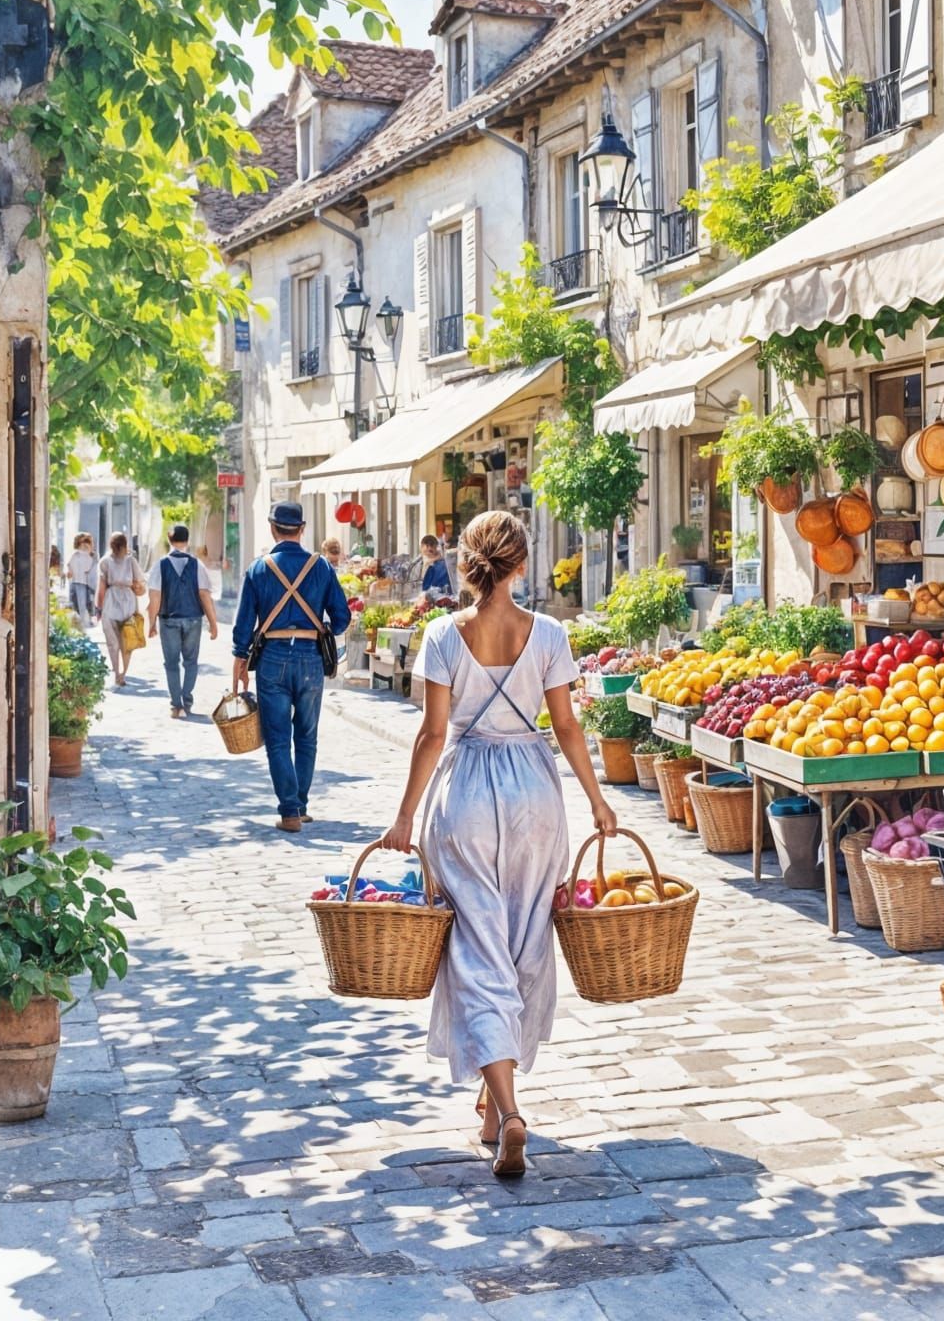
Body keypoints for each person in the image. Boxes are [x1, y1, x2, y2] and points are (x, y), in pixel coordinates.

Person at [381, 511, 617, 1178]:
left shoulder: (442, 635)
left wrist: (405, 816)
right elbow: (567, 726)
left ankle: (505, 1110)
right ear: (520, 565)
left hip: (465, 797)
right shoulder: (548, 633)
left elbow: (433, 735)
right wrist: (598, 801)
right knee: (524, 947)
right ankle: (497, 1106)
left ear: (465, 564)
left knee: (476, 951)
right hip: (534, 795)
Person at [231, 502, 352, 832]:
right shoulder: (321, 567)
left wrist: (239, 659)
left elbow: (244, 625)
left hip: (272, 658)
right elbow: (342, 618)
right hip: (311, 658)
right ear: (302, 529)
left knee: (278, 738)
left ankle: (289, 812)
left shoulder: (258, 569)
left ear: (273, 528)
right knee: (307, 735)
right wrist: (320, 628)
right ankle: (301, 804)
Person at [146, 524, 220, 719]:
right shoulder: (197, 565)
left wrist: (151, 623)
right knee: (191, 662)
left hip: (169, 619)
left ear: (169, 540)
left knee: (171, 663)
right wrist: (213, 623)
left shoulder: (160, 565)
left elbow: (155, 596)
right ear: (187, 541)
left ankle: (176, 706)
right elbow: (204, 595)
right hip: (193, 619)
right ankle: (187, 700)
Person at [96, 532, 146, 688]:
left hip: (111, 599)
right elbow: (140, 582)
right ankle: (122, 674)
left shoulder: (105, 561)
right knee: (127, 638)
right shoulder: (131, 561)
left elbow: (101, 587)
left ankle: (117, 672)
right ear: (125, 545)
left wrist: (98, 608)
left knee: (113, 642)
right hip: (128, 599)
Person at [67, 534, 97, 627]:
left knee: (84, 603)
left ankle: (83, 622)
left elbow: (88, 568)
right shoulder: (76, 554)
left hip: (84, 582)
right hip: (76, 581)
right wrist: (70, 571)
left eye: (86, 543)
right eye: (83, 543)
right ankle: (79, 622)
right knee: (76, 602)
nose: (84, 546)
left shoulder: (89, 556)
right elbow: (69, 565)